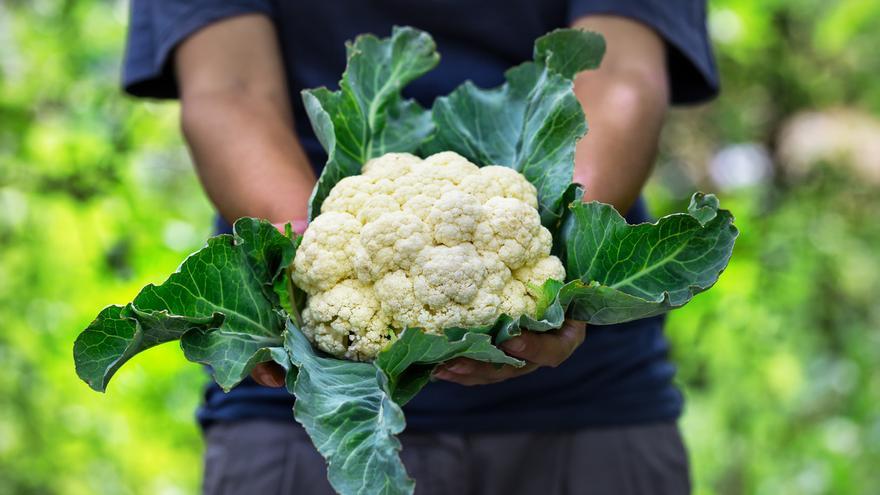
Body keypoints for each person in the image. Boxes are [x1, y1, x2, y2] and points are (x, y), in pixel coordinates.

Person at [122, 1, 718, 493]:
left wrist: (558, 262)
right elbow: (228, 88)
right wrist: (304, 256)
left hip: (589, 414)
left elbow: (620, 74)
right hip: (310, 423)